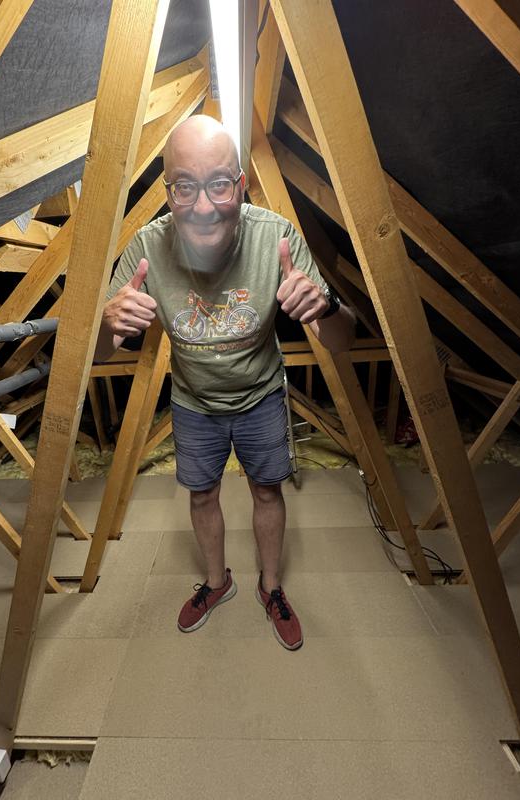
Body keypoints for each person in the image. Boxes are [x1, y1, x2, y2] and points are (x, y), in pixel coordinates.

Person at [95, 115, 355, 650]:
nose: (203, 206)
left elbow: (342, 340)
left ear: (241, 184)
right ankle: (217, 582)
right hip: (194, 401)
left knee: (267, 490)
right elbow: (97, 353)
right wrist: (104, 324)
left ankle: (272, 587)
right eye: (184, 186)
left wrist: (326, 305)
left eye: (218, 183)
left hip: (261, 393)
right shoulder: (147, 247)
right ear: (167, 192)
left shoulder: (276, 237)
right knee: (202, 495)